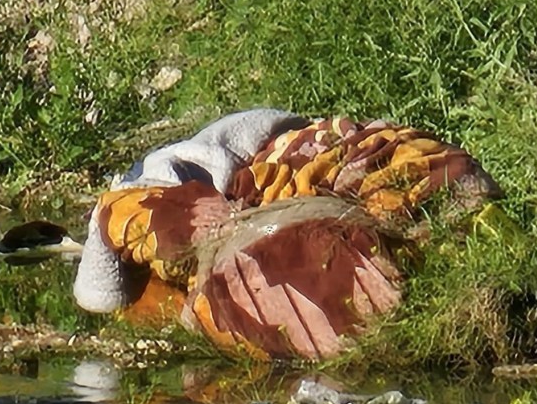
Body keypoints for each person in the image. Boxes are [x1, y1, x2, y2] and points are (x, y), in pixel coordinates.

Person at [74, 109, 500, 360]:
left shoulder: (176, 173)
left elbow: (113, 229)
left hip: (310, 179)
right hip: (408, 185)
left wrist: (193, 220)